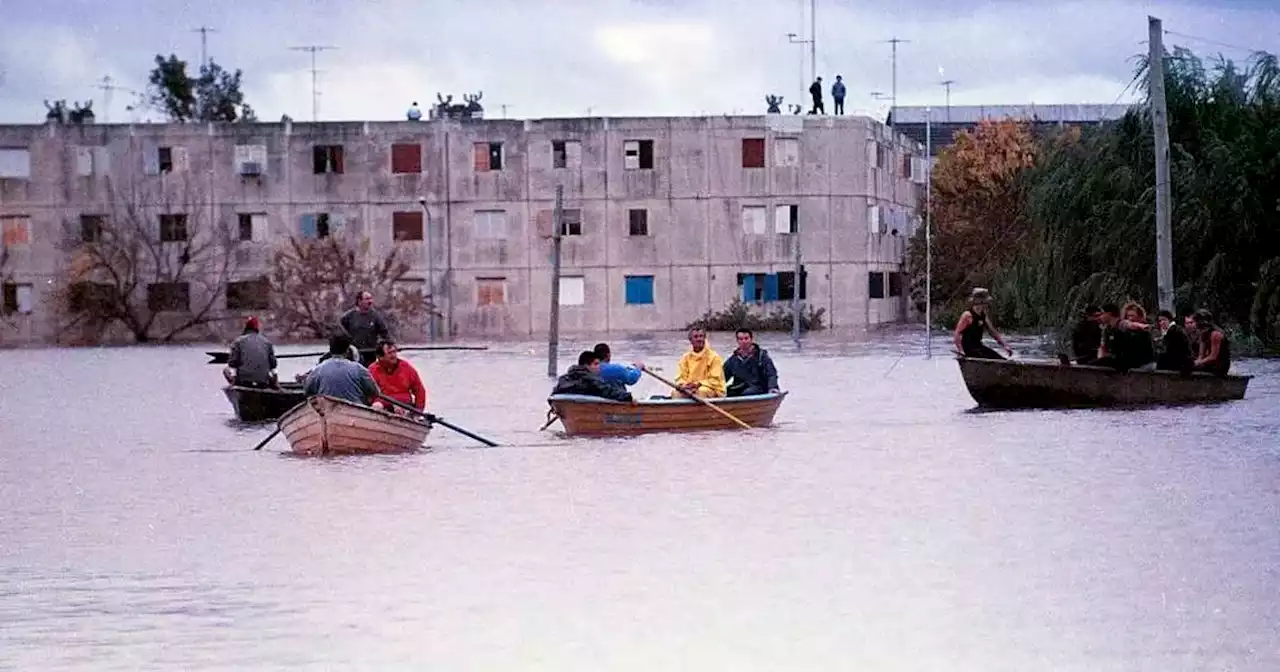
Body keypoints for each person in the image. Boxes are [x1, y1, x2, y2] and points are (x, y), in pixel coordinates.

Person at [303, 333, 381, 406]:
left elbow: (307, 391)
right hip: (355, 411)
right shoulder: (359, 369)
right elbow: (375, 392)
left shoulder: (318, 370)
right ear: (347, 350)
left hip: (327, 409)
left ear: (330, 350)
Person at [952, 288, 1012, 359]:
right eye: (985, 302)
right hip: (969, 349)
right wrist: (961, 351)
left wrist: (1005, 345)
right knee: (984, 356)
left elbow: (992, 332)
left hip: (978, 346)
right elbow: (957, 334)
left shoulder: (983, 315)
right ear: (980, 301)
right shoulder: (967, 315)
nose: (987, 304)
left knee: (1001, 359)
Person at [369, 340, 428, 413]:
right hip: (382, 401)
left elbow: (419, 391)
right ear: (380, 357)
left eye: (394, 352)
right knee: (376, 407)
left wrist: (418, 411)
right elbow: (368, 392)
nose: (394, 355)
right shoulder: (373, 369)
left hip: (403, 402)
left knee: (399, 409)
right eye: (390, 353)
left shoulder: (406, 367)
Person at [1094, 302, 1155, 371]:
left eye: (1132, 315)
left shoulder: (1125, 326)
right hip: (1124, 362)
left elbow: (1129, 325)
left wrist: (1142, 326)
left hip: (1141, 364)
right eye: (1128, 316)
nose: (1130, 318)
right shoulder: (1108, 330)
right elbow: (1103, 347)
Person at [552, 351, 634, 402]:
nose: (599, 367)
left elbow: (554, 393)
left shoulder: (564, 378)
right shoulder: (591, 379)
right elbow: (607, 390)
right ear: (586, 365)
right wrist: (627, 397)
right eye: (596, 364)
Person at [222, 316, 278, 388]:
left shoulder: (238, 341)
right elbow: (273, 365)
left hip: (244, 381)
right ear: (257, 328)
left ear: (246, 327)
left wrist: (234, 379)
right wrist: (276, 381)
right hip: (263, 381)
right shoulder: (267, 342)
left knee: (226, 370)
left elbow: (233, 363)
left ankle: (237, 386)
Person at [722, 329, 779, 397]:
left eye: (746, 338)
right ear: (737, 341)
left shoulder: (761, 356)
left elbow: (771, 374)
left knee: (747, 393)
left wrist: (773, 387)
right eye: (741, 339)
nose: (744, 341)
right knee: (725, 393)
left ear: (751, 339)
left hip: (759, 388)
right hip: (740, 387)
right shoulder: (733, 359)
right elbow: (722, 376)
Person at [340, 290, 392, 366]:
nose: (370, 301)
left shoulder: (376, 316)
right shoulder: (348, 316)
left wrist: (389, 347)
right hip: (354, 354)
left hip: (370, 354)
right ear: (359, 301)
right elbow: (341, 332)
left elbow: (385, 333)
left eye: (371, 298)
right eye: (367, 299)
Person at [672, 327, 727, 398]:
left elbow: (715, 380)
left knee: (701, 391)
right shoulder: (685, 357)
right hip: (690, 389)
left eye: (701, 336)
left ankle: (699, 409)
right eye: (696, 337)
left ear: (704, 338)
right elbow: (680, 376)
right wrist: (683, 385)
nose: (699, 339)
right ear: (690, 340)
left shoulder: (714, 357)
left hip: (713, 389)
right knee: (675, 393)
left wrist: (698, 384)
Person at [1190, 309, 1231, 376]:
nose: (1194, 324)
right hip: (1209, 363)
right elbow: (1201, 355)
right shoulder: (1203, 333)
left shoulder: (1215, 334)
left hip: (1219, 365)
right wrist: (1196, 362)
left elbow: (1213, 357)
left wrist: (1198, 363)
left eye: (1194, 322)